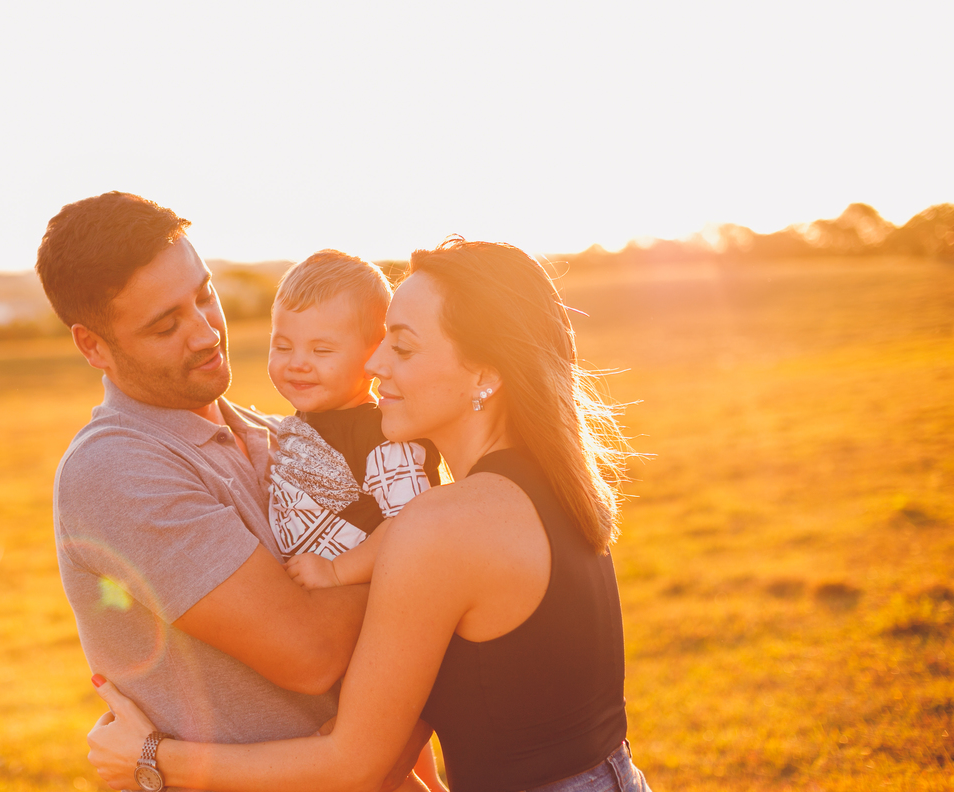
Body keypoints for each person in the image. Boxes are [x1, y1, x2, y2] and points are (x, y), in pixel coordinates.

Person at [87, 238, 652, 791]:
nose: (375, 363)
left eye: (401, 348)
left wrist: (152, 758)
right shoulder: (536, 484)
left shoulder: (444, 525)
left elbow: (353, 766)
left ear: (485, 373)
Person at [36, 192, 433, 792]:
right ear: (93, 346)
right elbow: (313, 653)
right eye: (165, 324)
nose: (204, 333)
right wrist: (429, 572)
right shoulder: (114, 468)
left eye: (203, 296)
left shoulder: (282, 434)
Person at [265, 249, 440, 588]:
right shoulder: (303, 422)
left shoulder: (384, 435)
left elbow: (412, 524)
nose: (297, 363)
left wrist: (338, 571)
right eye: (283, 347)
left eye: (322, 350)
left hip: (365, 600)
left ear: (374, 353)